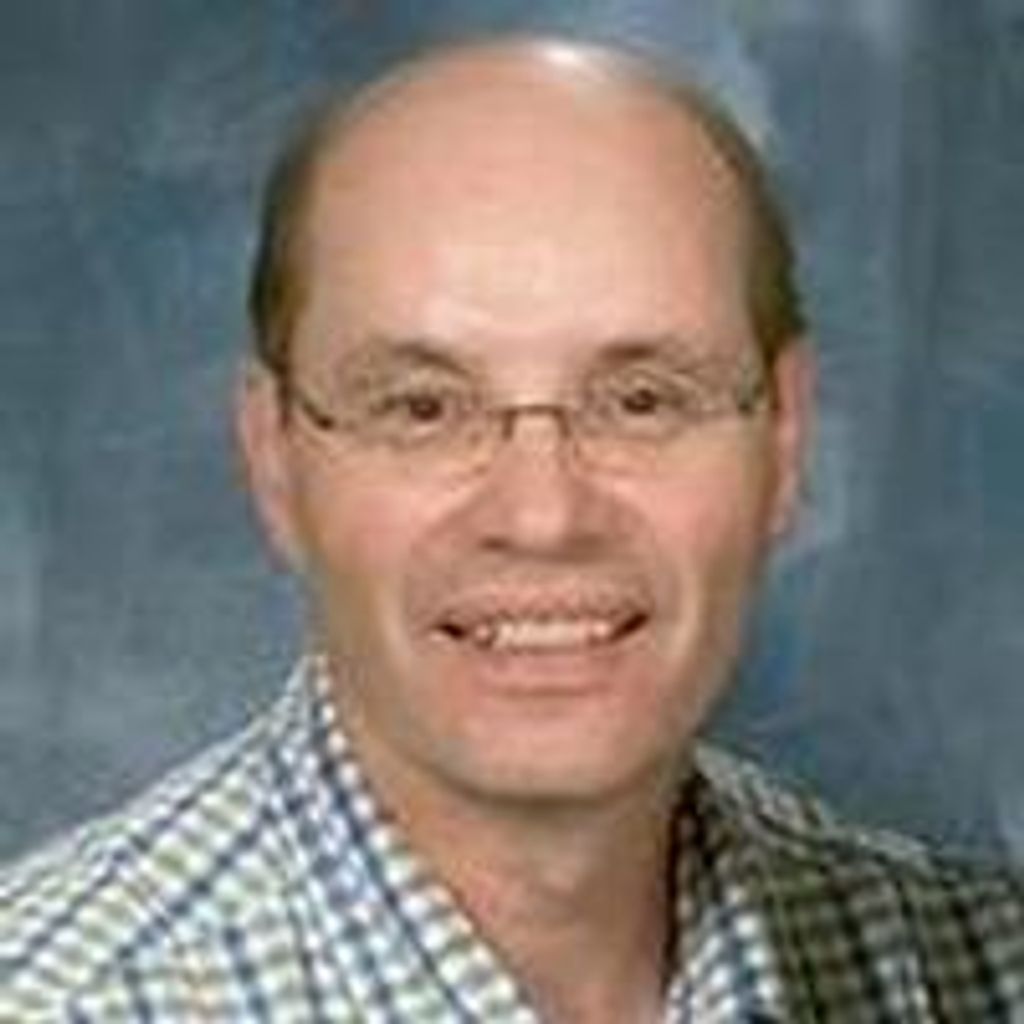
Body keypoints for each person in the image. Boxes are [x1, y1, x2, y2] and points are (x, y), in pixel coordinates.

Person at [3, 35, 1022, 1023]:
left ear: (785, 437)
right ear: (275, 458)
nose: (543, 517)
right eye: (422, 409)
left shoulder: (977, 968)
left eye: (642, 400)